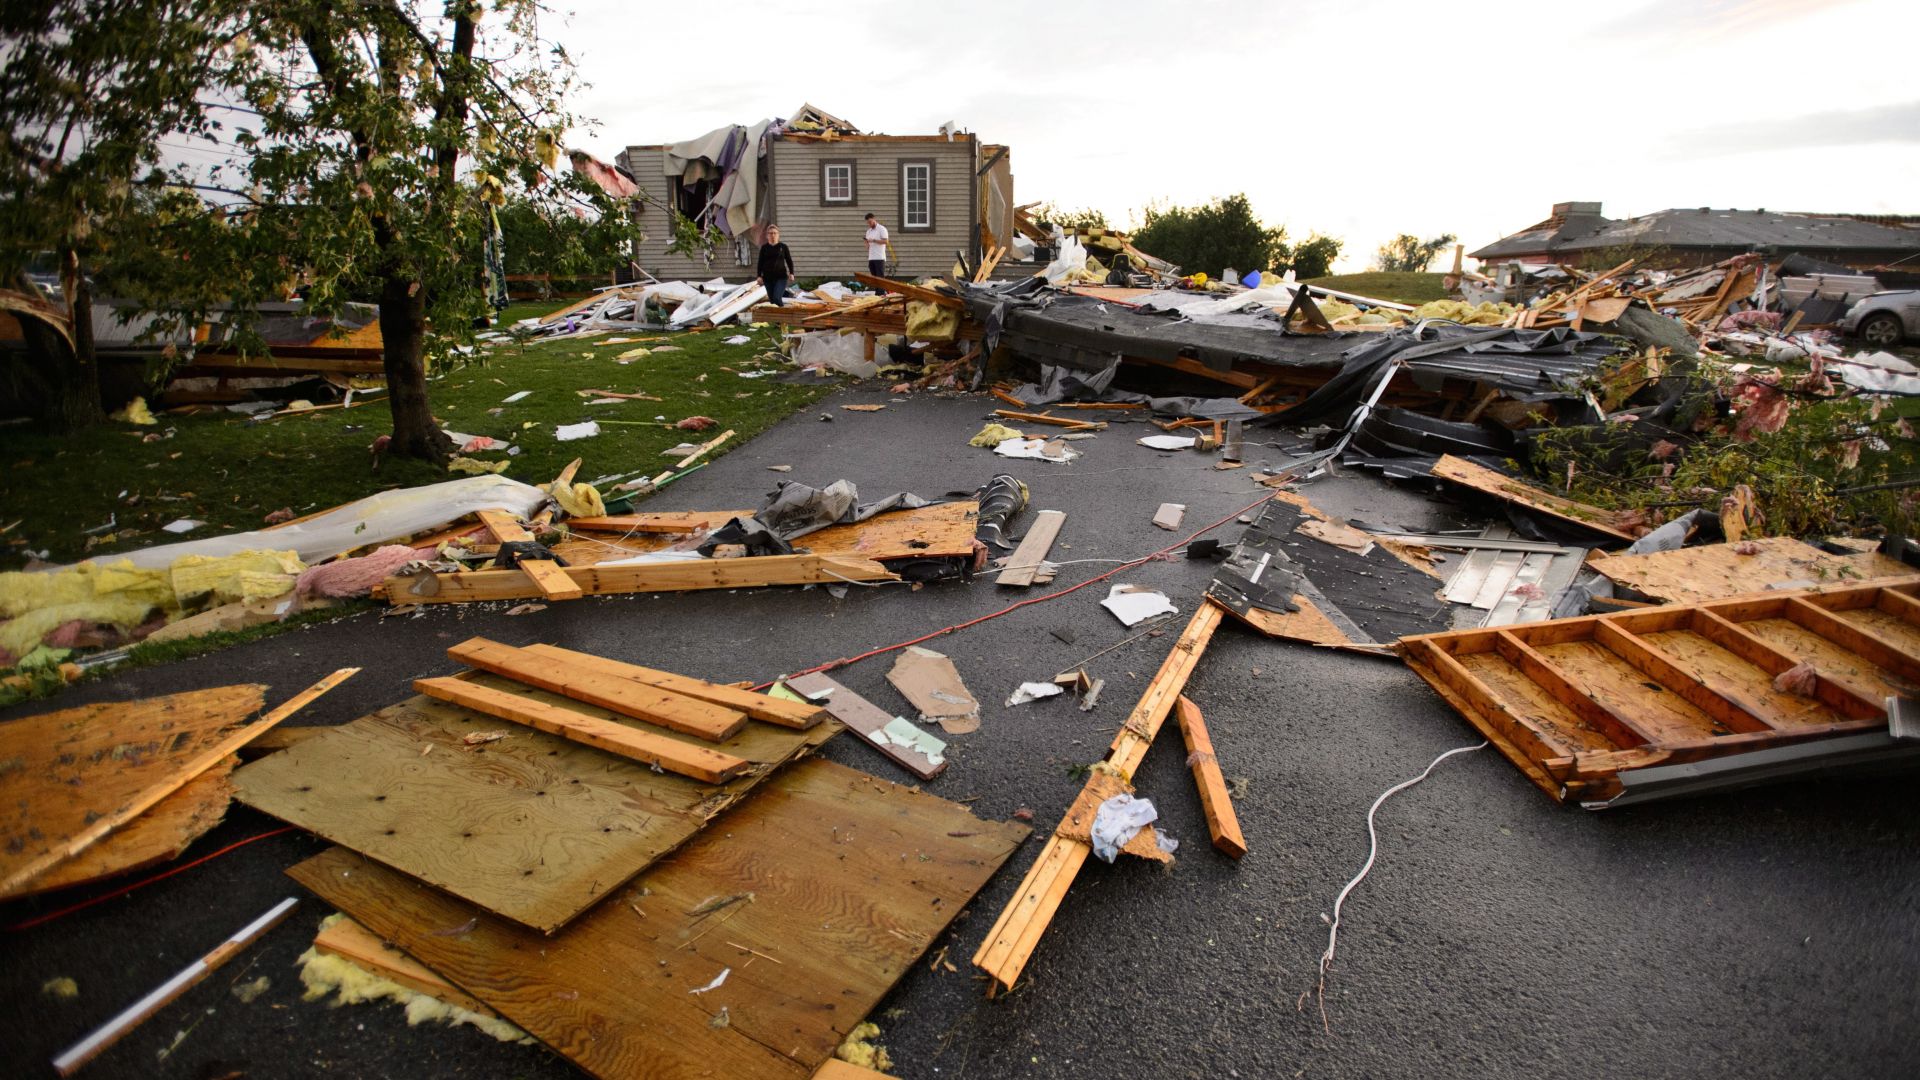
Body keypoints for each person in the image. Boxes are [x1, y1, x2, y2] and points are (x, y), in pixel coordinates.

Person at [756, 224, 796, 306]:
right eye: (770, 233)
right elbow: (760, 262)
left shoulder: (783, 247)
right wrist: (759, 276)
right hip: (767, 278)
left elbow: (789, 260)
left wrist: (791, 273)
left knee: (777, 298)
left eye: (775, 233)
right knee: (772, 301)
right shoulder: (764, 248)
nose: (773, 235)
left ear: (778, 235)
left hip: (781, 277)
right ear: (767, 235)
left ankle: (783, 315)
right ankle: (777, 318)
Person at [863, 213, 889, 279]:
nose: (869, 224)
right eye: (868, 223)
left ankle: (881, 290)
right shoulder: (868, 231)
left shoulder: (882, 229)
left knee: (880, 278)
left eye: (870, 222)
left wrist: (874, 240)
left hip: (879, 257)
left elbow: (886, 242)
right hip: (871, 257)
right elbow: (867, 247)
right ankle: (877, 290)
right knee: (874, 278)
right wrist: (866, 242)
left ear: (874, 219)